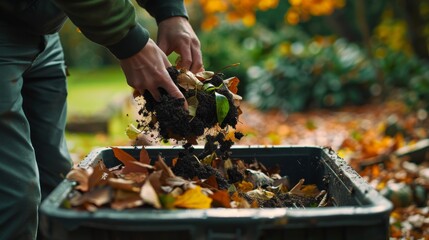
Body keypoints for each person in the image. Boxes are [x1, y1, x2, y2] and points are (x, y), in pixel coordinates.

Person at [0, 0, 203, 239]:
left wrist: (170, 12)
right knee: (16, 197)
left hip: (44, 32)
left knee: (55, 180)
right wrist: (128, 41)